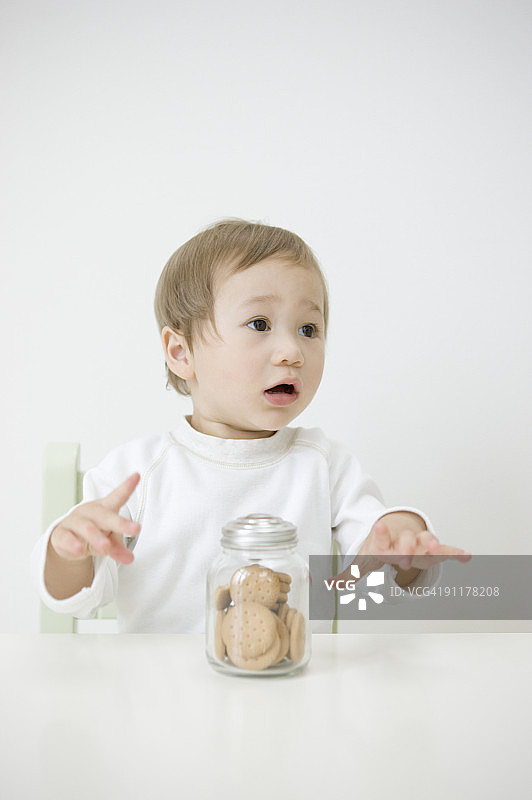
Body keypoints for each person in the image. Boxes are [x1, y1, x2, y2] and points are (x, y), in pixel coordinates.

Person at [31, 218, 470, 633]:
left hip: (292, 695)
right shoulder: (136, 472)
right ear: (181, 353)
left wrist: (401, 550)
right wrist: (69, 552)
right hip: (158, 700)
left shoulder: (324, 465)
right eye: (260, 324)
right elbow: (74, 601)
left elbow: (378, 573)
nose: (291, 351)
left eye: (308, 328)